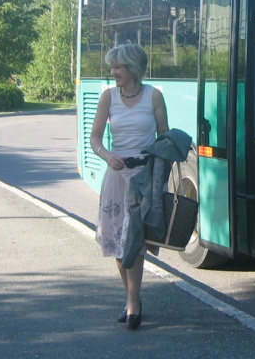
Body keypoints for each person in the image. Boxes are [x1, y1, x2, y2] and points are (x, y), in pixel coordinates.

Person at [90, 43, 169, 330]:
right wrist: (107, 155)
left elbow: (164, 139)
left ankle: (133, 303)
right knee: (118, 243)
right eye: (112, 67)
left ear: (132, 68)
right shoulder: (108, 97)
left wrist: (159, 165)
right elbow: (95, 139)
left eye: (117, 67)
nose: (113, 73)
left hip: (143, 181)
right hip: (116, 178)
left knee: (134, 241)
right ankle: (131, 298)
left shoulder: (154, 96)